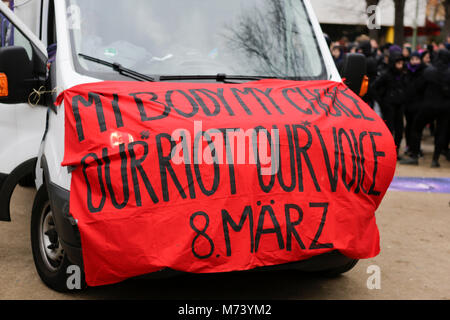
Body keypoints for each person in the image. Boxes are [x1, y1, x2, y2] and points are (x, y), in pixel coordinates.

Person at [401, 49, 450, 168]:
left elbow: (419, 87)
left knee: (416, 128)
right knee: (441, 133)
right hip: (445, 107)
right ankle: (435, 160)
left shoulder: (429, 71)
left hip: (428, 105)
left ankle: (414, 156)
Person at [372, 51, 406, 157]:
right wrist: (382, 102)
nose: (400, 66)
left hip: (399, 106)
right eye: (398, 63)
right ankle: (389, 151)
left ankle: (395, 151)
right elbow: (374, 87)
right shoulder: (386, 75)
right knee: (389, 130)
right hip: (389, 106)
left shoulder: (403, 75)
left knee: (399, 131)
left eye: (401, 63)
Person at [403, 51, 426, 156]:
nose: (414, 61)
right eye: (412, 59)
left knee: (417, 128)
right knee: (409, 126)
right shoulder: (406, 71)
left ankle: (416, 148)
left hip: (419, 104)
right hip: (408, 105)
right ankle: (409, 146)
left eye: (417, 59)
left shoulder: (424, 71)